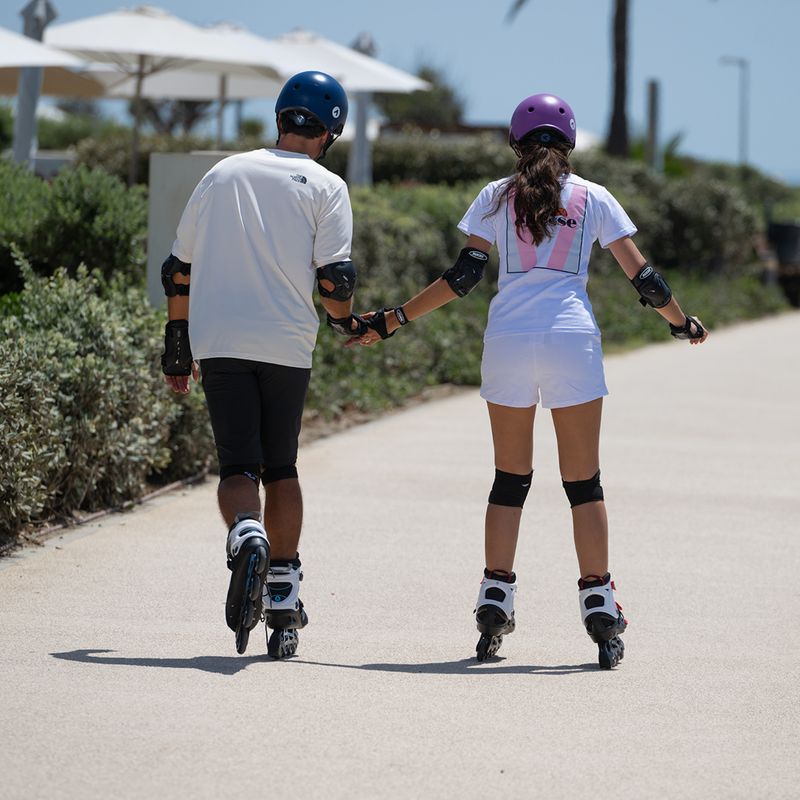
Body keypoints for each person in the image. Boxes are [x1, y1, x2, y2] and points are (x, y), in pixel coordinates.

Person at [353, 93, 708, 668]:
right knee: (583, 483)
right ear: (568, 143)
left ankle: (496, 597)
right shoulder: (594, 197)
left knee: (509, 479)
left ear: (516, 143)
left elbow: (464, 275)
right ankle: (598, 604)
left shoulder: (496, 197)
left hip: (509, 342)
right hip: (572, 341)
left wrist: (392, 319)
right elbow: (644, 277)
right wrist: (680, 323)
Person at [161, 71, 368, 658]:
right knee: (281, 466)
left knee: (236, 466)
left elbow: (177, 268)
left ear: (280, 116)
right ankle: (283, 592)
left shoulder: (223, 172)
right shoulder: (326, 186)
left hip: (219, 339)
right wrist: (344, 319)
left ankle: (245, 532)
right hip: (285, 343)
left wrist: (178, 342)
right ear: (331, 131)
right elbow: (336, 280)